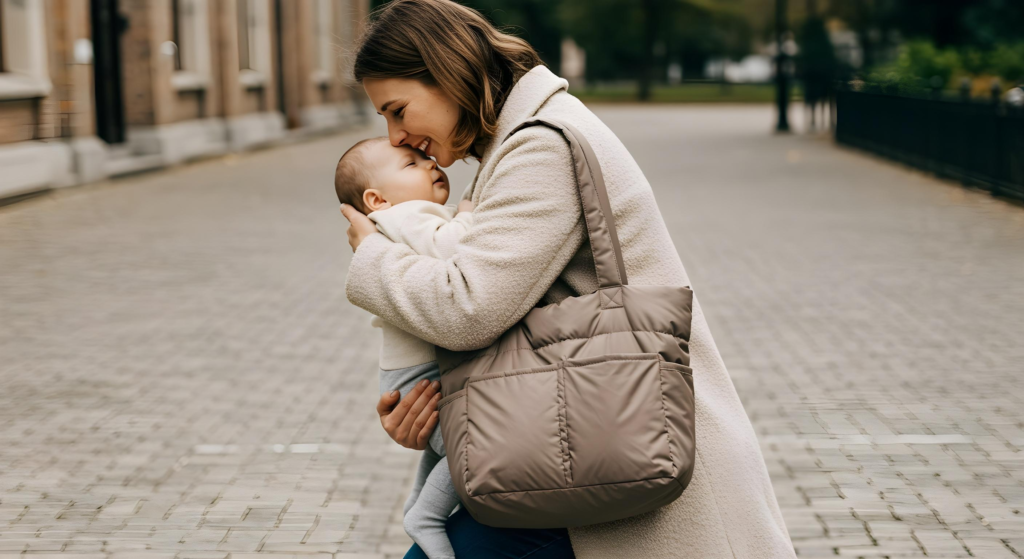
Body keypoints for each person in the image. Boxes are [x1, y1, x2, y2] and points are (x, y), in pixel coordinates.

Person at [340, 1, 797, 557]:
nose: (396, 137)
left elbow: (470, 309)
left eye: (398, 110)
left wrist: (372, 256)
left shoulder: (541, 145)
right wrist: (430, 407)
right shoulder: (522, 138)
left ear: (446, 72)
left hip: (621, 453)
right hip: (584, 444)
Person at [334, 137, 474, 559]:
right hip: (419, 375)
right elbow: (456, 247)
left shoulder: (407, 218)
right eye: (412, 164)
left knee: (444, 445)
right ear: (377, 200)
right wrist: (469, 214)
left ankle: (416, 504)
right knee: (467, 448)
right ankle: (427, 516)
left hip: (407, 373)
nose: (431, 164)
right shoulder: (406, 215)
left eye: (427, 158)